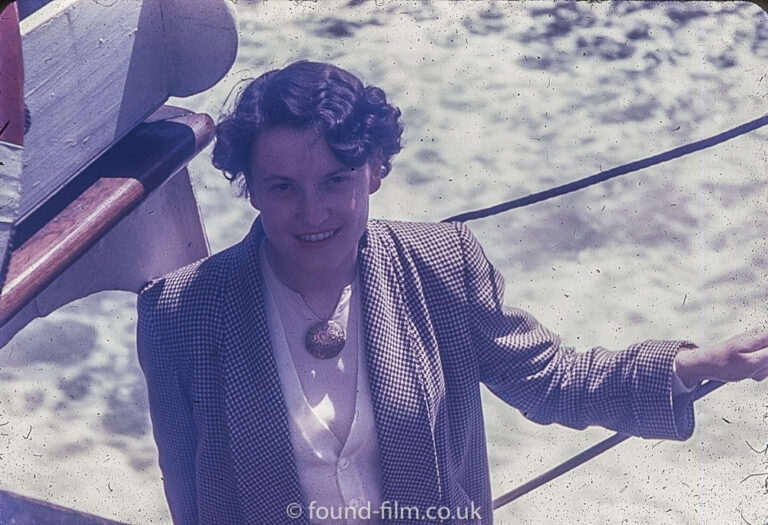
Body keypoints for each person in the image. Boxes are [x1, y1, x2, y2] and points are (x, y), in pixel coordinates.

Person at [136, 60, 768, 525]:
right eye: (282, 187)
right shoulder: (179, 313)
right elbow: (191, 498)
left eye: (336, 179)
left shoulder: (444, 264)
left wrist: (698, 366)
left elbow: (552, 380)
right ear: (247, 185)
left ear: (375, 170)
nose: (312, 211)